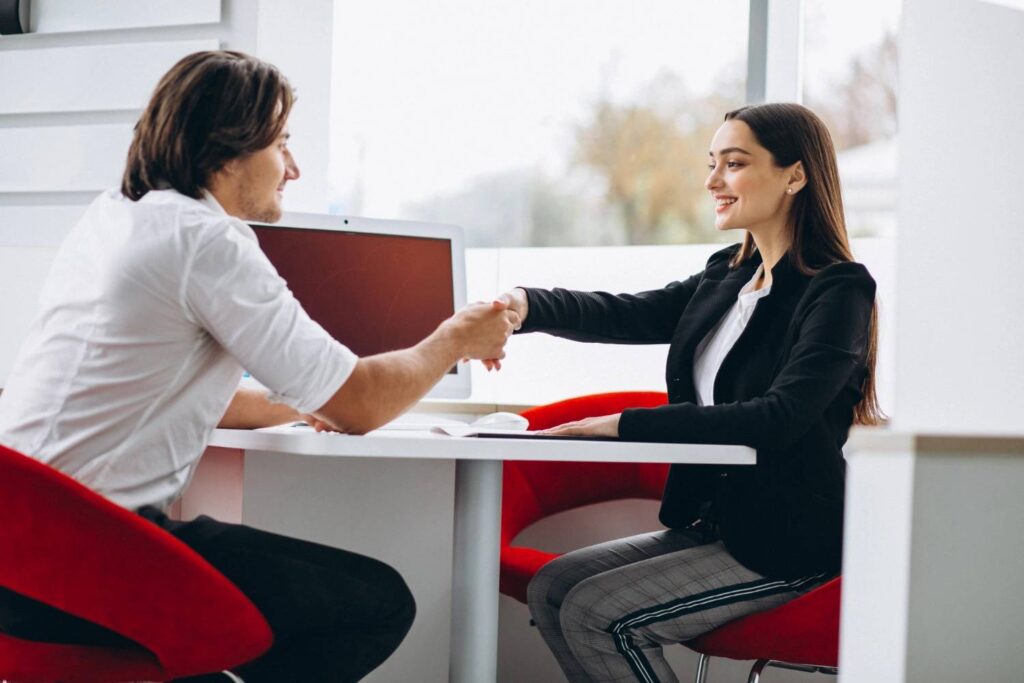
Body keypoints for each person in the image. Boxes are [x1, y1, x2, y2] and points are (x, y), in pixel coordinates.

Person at [0, 50, 518, 683]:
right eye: (281, 144)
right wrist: (454, 339)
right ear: (225, 151)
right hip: (86, 559)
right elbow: (360, 404)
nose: (293, 168)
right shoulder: (207, 239)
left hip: (22, 555)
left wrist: (299, 402)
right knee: (373, 604)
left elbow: (158, 391)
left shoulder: (117, 216)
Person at [497, 102, 881, 683]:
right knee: (554, 586)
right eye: (712, 163)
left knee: (598, 615)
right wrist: (524, 306)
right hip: (714, 526)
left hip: (791, 543)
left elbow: (777, 418)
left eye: (734, 163)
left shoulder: (838, 290)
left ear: (795, 176)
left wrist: (624, 424)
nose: (712, 181)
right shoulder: (727, 274)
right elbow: (627, 314)